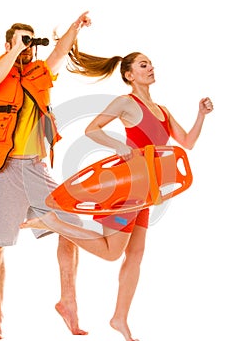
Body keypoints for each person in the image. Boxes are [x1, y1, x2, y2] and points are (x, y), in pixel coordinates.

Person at [20, 49, 214, 341]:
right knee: (113, 254)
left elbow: (187, 142)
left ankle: (119, 318)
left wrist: (201, 115)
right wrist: (117, 145)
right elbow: (92, 129)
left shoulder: (162, 110)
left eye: (150, 64)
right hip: (129, 187)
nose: (151, 68)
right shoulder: (126, 102)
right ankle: (54, 223)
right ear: (129, 75)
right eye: (143, 65)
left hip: (150, 192)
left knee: (135, 256)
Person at [0, 12, 91, 339]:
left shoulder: (39, 73)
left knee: (72, 225)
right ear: (8, 44)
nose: (27, 48)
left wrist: (75, 28)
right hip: (0, 168)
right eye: (21, 41)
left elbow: (59, 53)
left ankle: (67, 301)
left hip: (35, 166)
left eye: (30, 43)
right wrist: (14, 51)